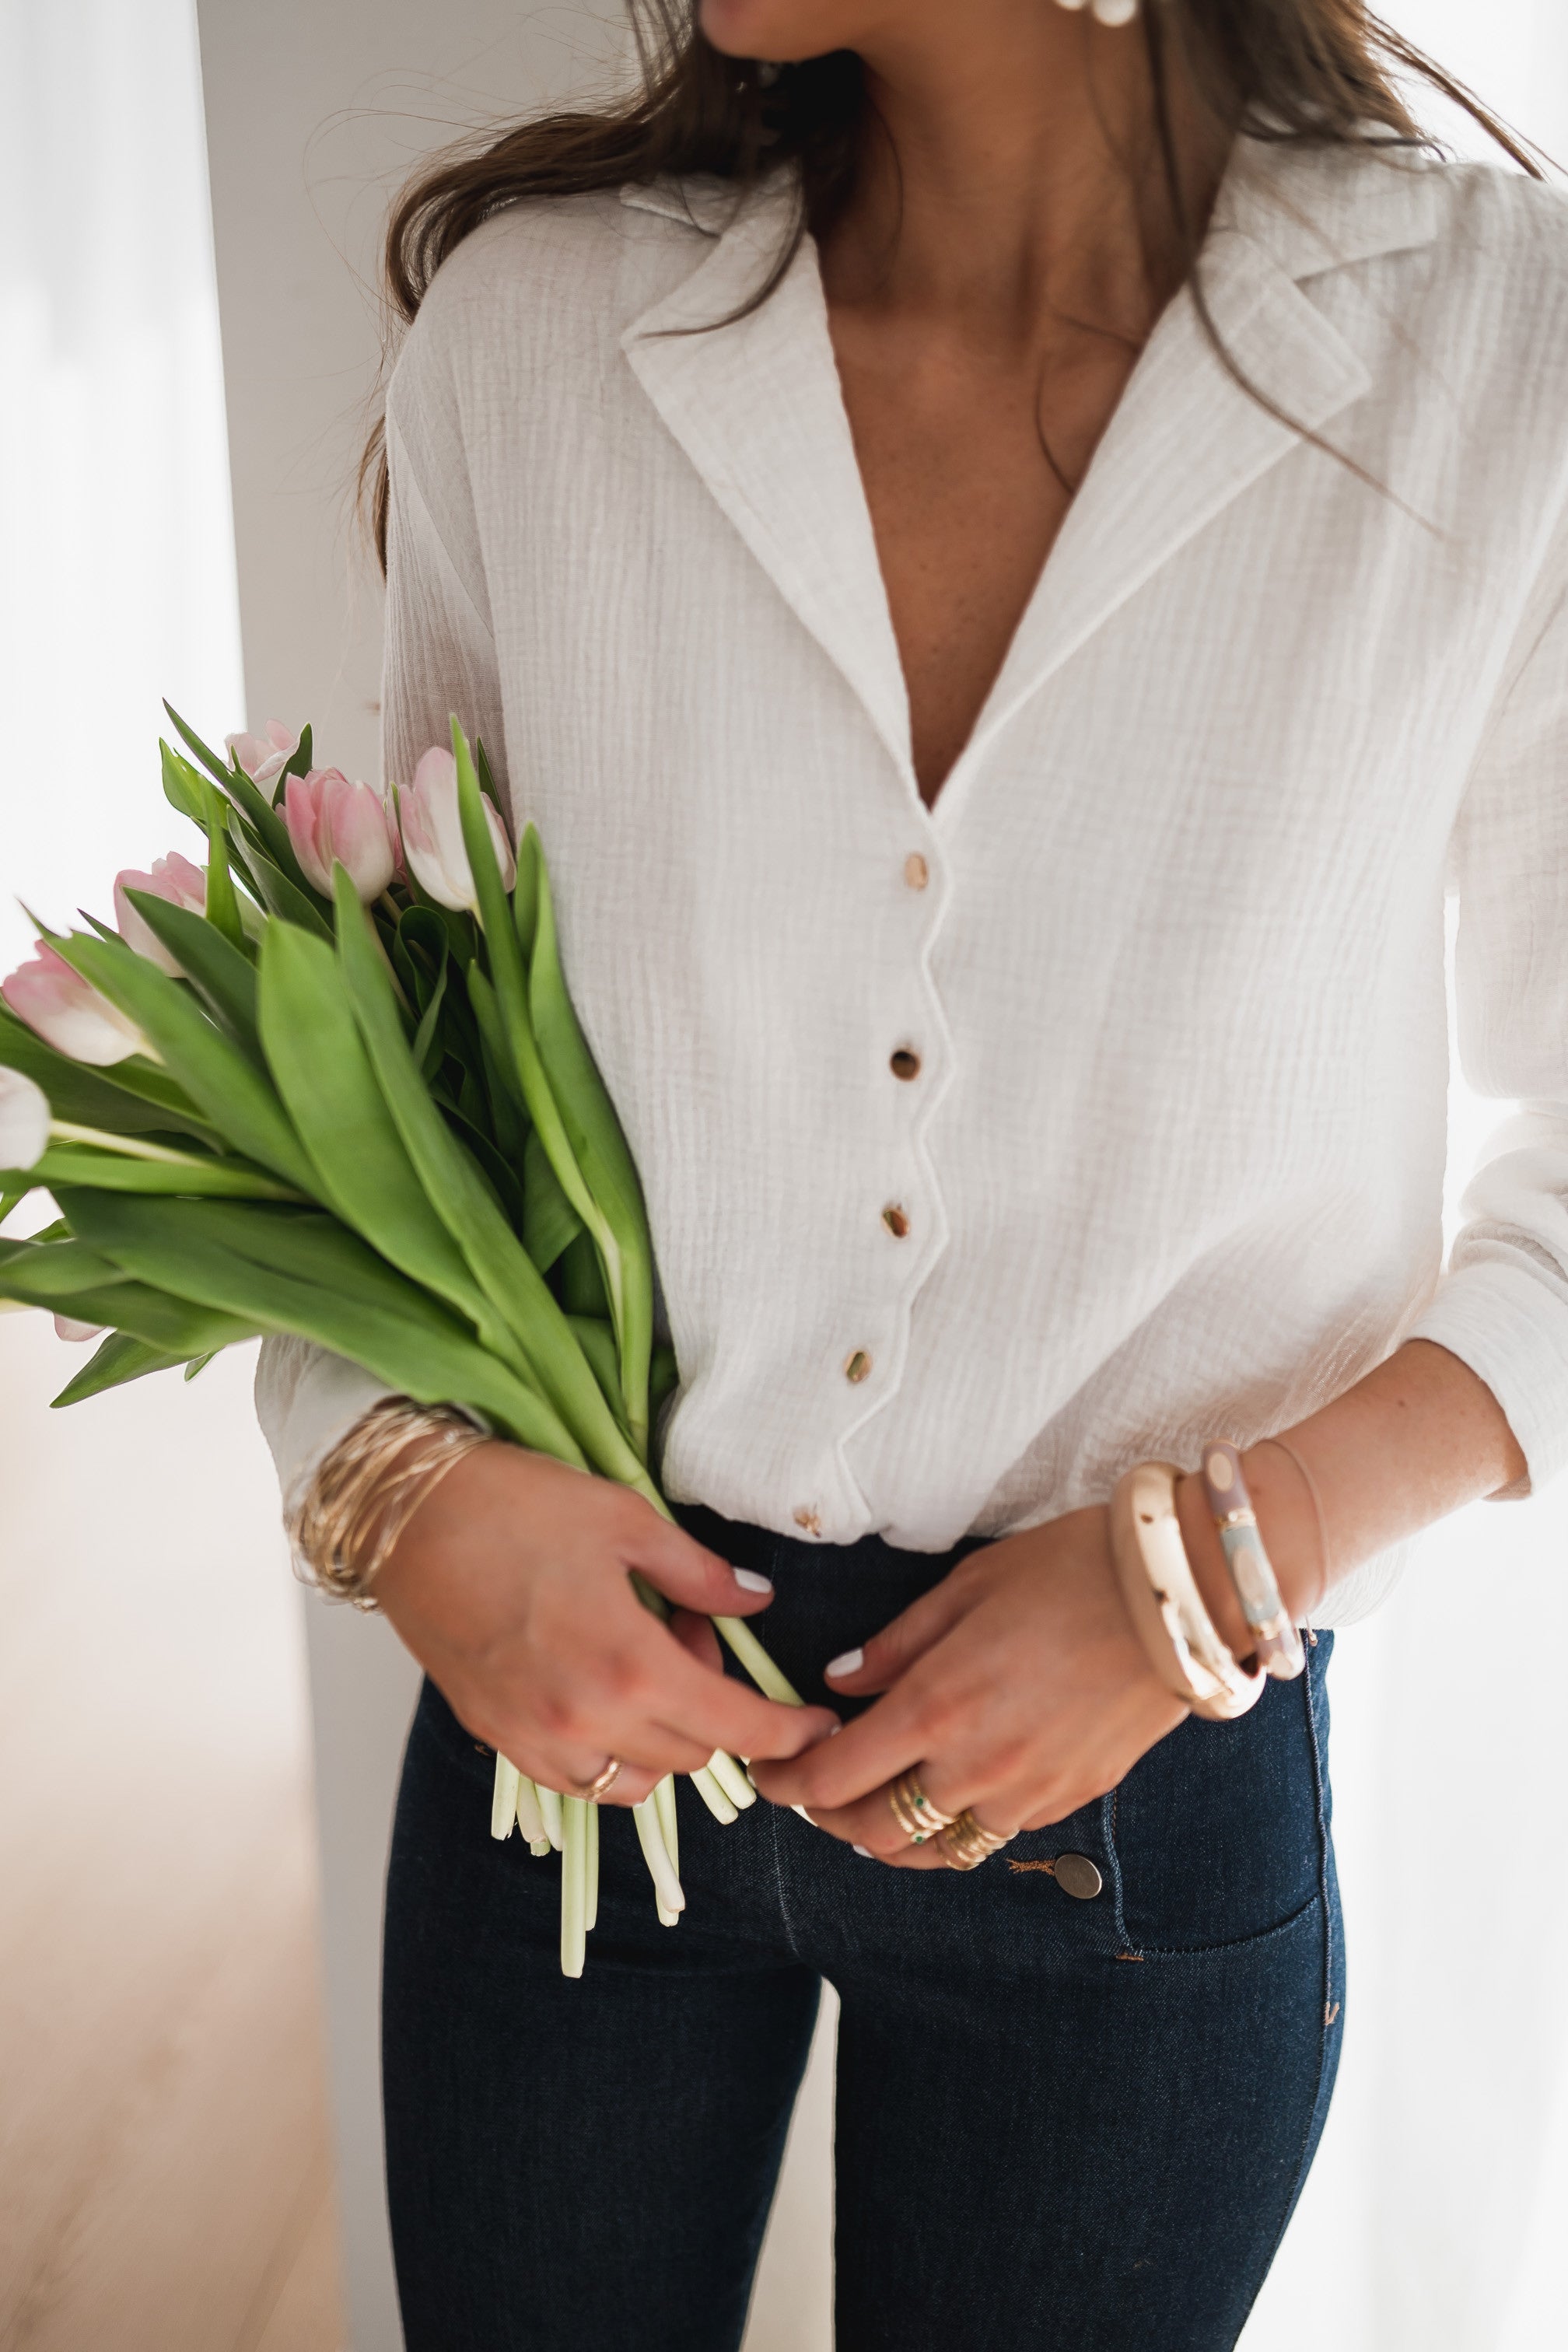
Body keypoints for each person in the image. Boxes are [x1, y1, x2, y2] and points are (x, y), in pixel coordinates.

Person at [257, 4, 1568, 2345]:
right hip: (579, 1724)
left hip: (1147, 1768)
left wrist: (1208, 1577)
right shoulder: (540, 329)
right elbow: (397, 1063)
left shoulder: (1504, 349)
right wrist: (397, 1489)